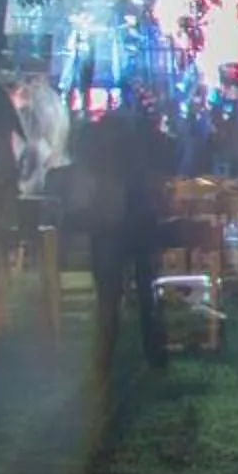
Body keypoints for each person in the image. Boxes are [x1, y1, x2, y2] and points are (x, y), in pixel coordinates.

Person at [74, 78, 174, 374]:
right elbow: (170, 158)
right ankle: (154, 353)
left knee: (108, 295)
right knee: (147, 291)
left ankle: (104, 355)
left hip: (108, 222)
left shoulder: (95, 136)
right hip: (140, 220)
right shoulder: (145, 134)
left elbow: (84, 167)